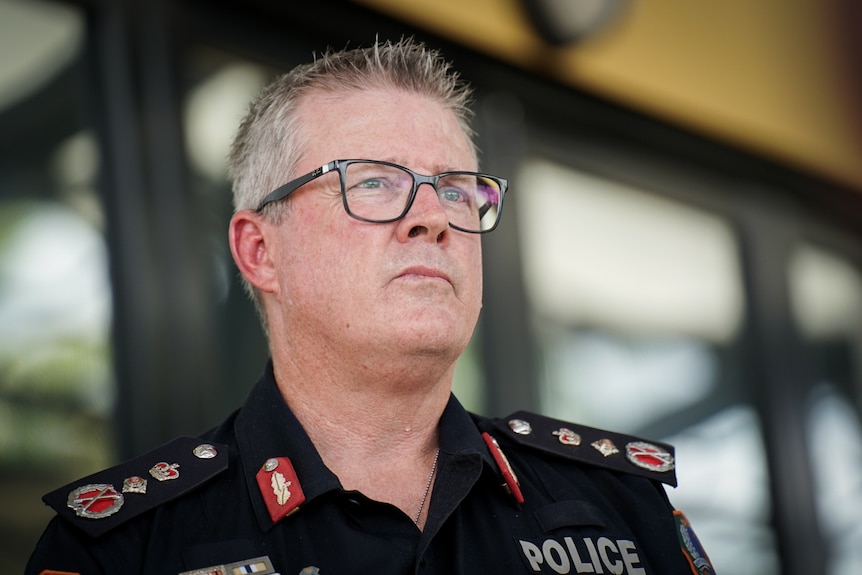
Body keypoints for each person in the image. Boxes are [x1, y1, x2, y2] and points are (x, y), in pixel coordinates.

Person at [26, 38, 715, 575]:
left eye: (455, 188)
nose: (433, 218)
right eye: (375, 182)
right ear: (261, 250)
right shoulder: (125, 548)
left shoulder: (622, 510)